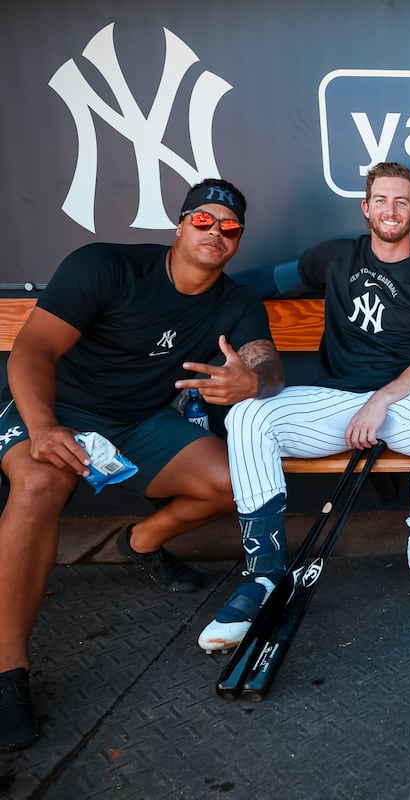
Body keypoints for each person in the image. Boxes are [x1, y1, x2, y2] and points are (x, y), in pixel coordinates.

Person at [0, 179, 284, 751]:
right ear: (179, 225)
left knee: (233, 482)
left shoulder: (234, 302)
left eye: (229, 228)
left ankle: (141, 542)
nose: (215, 233)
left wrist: (254, 380)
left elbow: (270, 368)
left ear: (238, 241)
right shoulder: (105, 266)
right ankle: (8, 672)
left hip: (140, 422)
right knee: (36, 486)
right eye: (203, 220)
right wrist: (44, 426)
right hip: (58, 407)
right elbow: (31, 349)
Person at [198, 162, 410, 654]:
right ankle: (263, 573)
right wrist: (199, 290)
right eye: (382, 200)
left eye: (402, 202)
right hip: (335, 399)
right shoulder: (336, 257)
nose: (391, 210)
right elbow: (264, 282)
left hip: (403, 401)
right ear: (366, 207)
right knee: (246, 414)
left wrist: (383, 399)